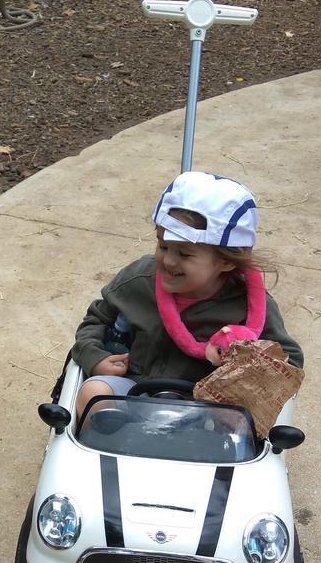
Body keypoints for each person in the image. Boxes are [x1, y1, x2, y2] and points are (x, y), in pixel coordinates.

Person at [71, 170, 303, 421]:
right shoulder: (139, 280)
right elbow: (97, 319)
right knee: (93, 393)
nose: (168, 260)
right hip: (133, 388)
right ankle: (111, 440)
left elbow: (289, 361)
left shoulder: (248, 306)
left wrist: (243, 358)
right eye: (163, 245)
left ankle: (211, 454)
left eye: (184, 254)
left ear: (226, 261)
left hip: (206, 406)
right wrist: (95, 358)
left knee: (235, 418)